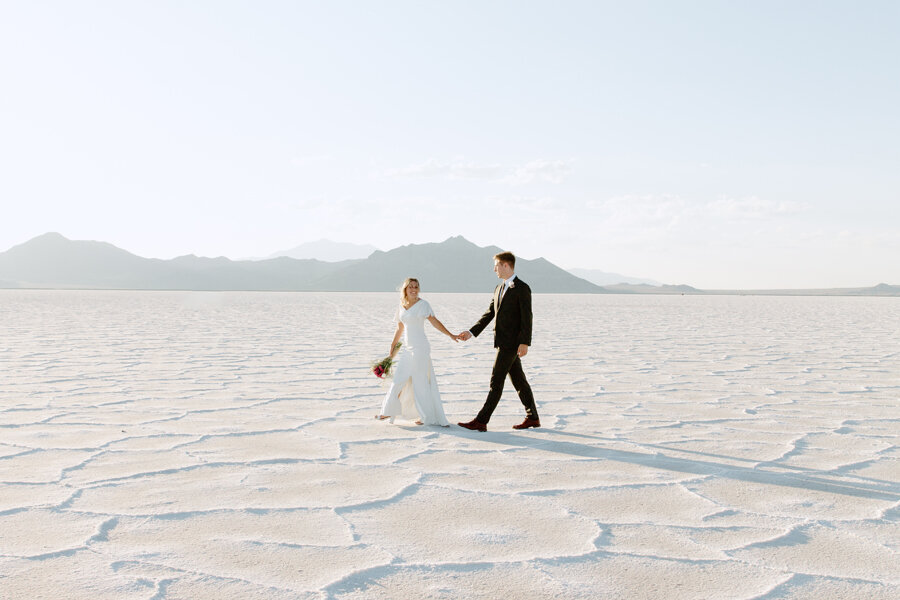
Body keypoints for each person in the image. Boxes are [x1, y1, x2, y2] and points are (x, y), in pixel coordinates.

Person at [458, 252, 539, 431]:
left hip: (512, 343)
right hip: (502, 341)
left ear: (505, 265)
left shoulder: (522, 288)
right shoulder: (499, 288)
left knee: (496, 382)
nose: (494, 269)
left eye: (496, 265)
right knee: (519, 381)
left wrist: (525, 342)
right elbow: (489, 314)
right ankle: (532, 417)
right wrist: (471, 332)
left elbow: (527, 317)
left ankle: (481, 421)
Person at [376, 278, 456, 426]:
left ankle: (426, 417)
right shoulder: (401, 305)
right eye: (410, 287)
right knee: (398, 379)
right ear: (405, 289)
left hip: (420, 348)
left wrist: (450, 334)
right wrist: (393, 345)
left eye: (416, 287)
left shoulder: (423, 305)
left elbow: (434, 321)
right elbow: (400, 328)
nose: (414, 289)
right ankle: (387, 411)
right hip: (407, 349)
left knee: (420, 381)